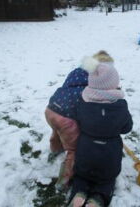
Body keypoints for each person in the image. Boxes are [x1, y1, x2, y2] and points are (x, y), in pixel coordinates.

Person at [68, 52, 133, 207]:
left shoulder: (82, 102)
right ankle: (98, 198)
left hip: (86, 151)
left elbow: (77, 119)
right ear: (113, 84)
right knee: (106, 180)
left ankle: (78, 194)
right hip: (109, 155)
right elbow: (127, 128)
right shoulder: (120, 106)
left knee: (82, 176)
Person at [45, 64, 88, 190]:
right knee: (73, 149)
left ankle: (55, 148)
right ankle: (64, 180)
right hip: (66, 120)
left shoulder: (65, 88)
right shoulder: (84, 93)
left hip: (50, 112)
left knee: (56, 131)